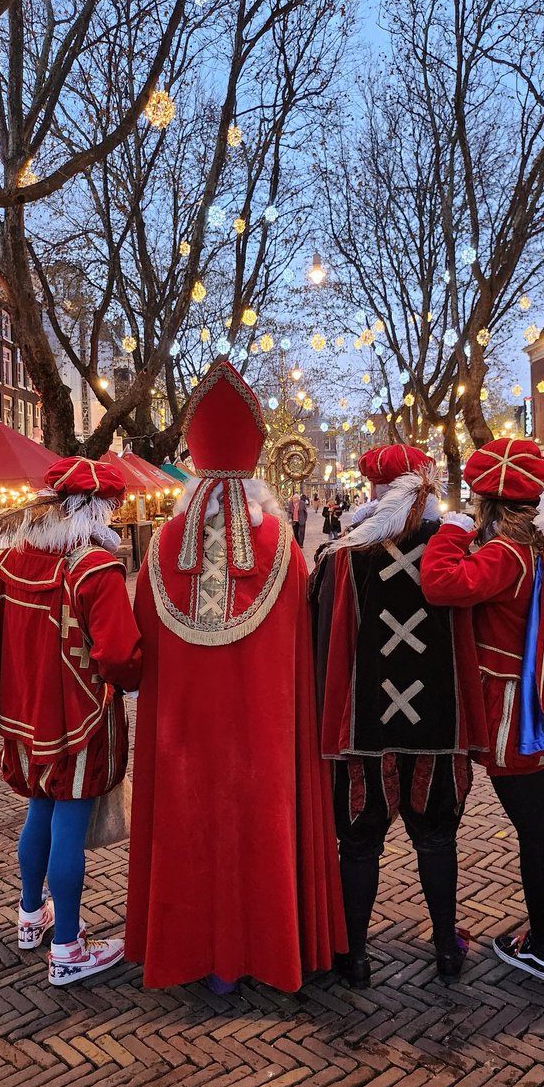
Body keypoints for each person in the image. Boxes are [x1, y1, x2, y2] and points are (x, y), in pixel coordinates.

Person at [126, 361, 346, 993]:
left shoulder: (164, 546)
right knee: (260, 816)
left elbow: (141, 644)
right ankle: (267, 945)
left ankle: (190, 951)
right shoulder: (284, 546)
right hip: (263, 737)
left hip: (185, 741)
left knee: (189, 819)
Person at [420, 439, 544, 982]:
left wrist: (454, 532)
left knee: (535, 831)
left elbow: (441, 583)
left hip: (516, 714)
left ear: (488, 502)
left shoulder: (506, 553)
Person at [311, 443, 488, 988]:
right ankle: (445, 950)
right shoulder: (454, 548)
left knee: (359, 842)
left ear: (373, 493)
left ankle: (357, 956)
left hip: (365, 729)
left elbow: (322, 646)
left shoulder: (345, 556)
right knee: (436, 838)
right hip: (439, 725)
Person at [0, 457, 142, 986]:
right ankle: (68, 945)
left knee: (38, 811)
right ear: (97, 510)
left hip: (24, 713)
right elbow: (121, 658)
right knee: (69, 819)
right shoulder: (95, 567)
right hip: (78, 715)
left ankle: (30, 916)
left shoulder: (17, 557)